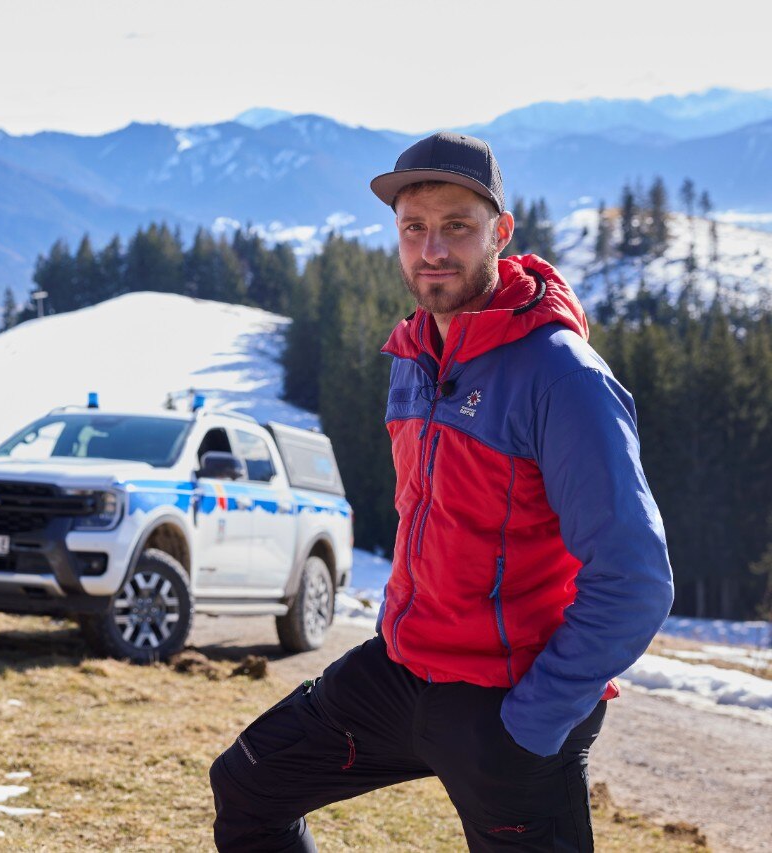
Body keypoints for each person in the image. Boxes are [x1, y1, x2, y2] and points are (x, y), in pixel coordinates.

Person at [209, 132, 674, 851]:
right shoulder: (416, 356)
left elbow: (635, 579)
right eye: (414, 228)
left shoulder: (563, 377)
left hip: (508, 701)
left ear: (500, 232)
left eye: (456, 226)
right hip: (402, 672)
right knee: (248, 784)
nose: (432, 249)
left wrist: (533, 722)